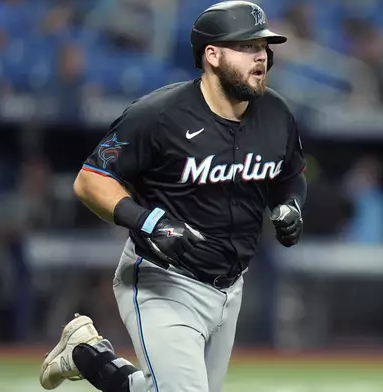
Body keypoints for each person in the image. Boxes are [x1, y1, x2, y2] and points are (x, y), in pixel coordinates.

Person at [39, 2, 306, 392]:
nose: (261, 56)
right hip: (162, 280)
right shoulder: (160, 115)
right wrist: (148, 221)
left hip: (230, 287)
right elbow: (91, 180)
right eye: (247, 47)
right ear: (212, 55)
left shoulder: (276, 113)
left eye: (264, 47)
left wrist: (290, 204)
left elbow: (291, 174)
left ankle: (86, 353)